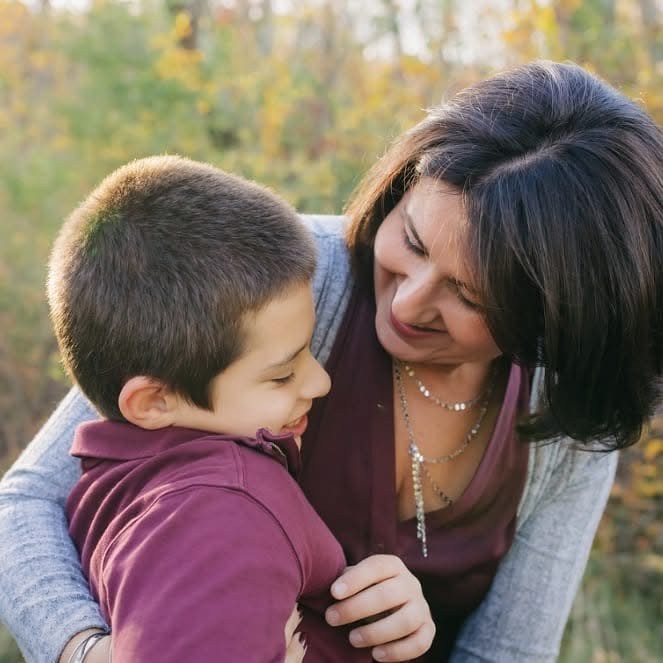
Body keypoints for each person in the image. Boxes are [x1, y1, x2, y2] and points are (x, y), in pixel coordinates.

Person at [1, 60, 662, 662]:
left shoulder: (568, 409)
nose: (408, 301)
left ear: (555, 320)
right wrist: (86, 652)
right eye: (412, 241)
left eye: (468, 295)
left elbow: (507, 651)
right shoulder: (284, 282)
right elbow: (23, 504)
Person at [46, 155, 384, 662]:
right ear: (154, 401)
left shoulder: (132, 477)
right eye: (281, 374)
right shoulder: (221, 516)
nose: (320, 381)